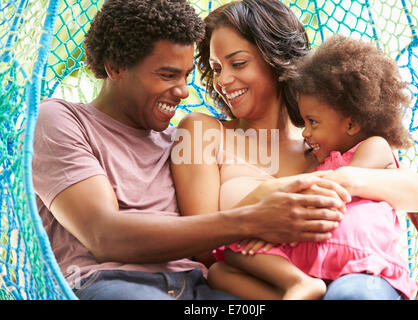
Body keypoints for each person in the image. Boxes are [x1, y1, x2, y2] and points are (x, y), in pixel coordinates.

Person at [32, 0, 352, 300]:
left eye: (186, 76)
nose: (184, 92)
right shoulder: (60, 119)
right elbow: (104, 236)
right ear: (115, 66)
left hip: (197, 289)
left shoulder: (179, 141)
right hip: (112, 282)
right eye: (168, 75)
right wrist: (252, 219)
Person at [170, 0, 418, 300]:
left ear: (275, 58)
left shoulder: (324, 143)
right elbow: (203, 250)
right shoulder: (200, 132)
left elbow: (391, 178)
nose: (223, 80)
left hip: (348, 282)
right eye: (216, 68)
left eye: (238, 63)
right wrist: (262, 201)